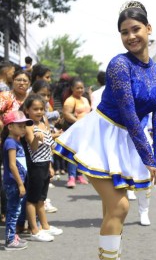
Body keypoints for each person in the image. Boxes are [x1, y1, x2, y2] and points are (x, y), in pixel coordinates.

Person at [53, 0, 156, 260]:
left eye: (136, 30)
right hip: (102, 135)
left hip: (127, 141)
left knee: (112, 212)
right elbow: (131, 116)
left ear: (149, 29)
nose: (131, 36)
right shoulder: (119, 65)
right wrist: (149, 160)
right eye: (124, 32)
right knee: (120, 206)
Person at [22, 94, 63, 241]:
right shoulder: (28, 125)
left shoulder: (43, 124)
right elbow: (33, 148)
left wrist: (50, 166)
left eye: (41, 109)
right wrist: (36, 139)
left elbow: (49, 146)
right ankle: (34, 230)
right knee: (32, 199)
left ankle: (45, 226)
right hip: (35, 165)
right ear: (27, 110)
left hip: (45, 164)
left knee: (41, 199)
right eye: (35, 109)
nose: (39, 112)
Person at [1, 111, 33, 250]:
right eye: (19, 125)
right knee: (13, 211)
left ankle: (12, 235)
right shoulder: (10, 143)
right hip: (14, 183)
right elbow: (13, 165)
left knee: (15, 209)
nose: (23, 128)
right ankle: (10, 240)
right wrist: (20, 184)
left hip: (17, 182)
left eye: (24, 125)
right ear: (10, 127)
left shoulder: (15, 141)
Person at [62, 77, 91, 188]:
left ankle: (80, 175)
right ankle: (71, 177)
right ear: (72, 88)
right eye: (77, 88)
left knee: (81, 154)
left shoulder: (85, 99)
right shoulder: (69, 100)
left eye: (81, 88)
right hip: (74, 130)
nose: (80, 90)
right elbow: (66, 114)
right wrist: (78, 122)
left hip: (85, 130)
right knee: (73, 154)